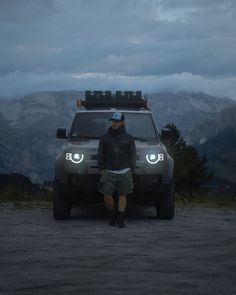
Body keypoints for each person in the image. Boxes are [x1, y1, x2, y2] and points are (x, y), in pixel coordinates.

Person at [97, 112, 136, 228]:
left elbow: (133, 154)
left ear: (122, 123)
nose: (114, 123)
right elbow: (100, 153)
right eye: (113, 121)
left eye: (117, 121)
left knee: (123, 194)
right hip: (108, 171)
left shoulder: (129, 137)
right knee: (107, 195)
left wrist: (131, 169)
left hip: (125, 170)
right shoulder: (105, 137)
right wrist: (101, 169)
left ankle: (120, 218)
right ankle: (112, 214)